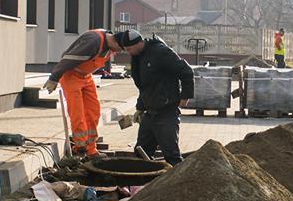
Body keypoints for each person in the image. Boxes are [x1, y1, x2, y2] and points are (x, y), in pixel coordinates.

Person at [43, 29, 145, 157]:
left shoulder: (109, 45)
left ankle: (91, 149)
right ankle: (80, 149)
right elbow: (68, 59)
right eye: (122, 49)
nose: (120, 52)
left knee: (93, 112)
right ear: (117, 43)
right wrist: (54, 78)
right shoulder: (93, 41)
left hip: (86, 76)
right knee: (77, 113)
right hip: (71, 75)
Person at [130, 34, 194, 166]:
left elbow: (186, 71)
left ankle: (178, 184)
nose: (127, 52)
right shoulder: (139, 57)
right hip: (150, 113)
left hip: (167, 112)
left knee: (171, 155)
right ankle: (139, 184)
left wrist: (185, 96)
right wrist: (140, 107)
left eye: (128, 49)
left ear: (138, 43)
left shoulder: (160, 52)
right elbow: (144, 86)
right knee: (141, 152)